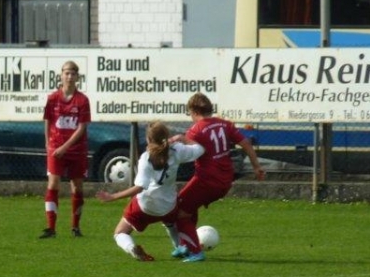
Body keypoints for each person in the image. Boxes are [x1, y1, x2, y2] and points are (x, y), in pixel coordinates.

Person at [169, 92, 265, 262]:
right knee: (189, 206)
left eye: (189, 113)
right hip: (225, 181)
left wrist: (179, 141)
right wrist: (257, 167)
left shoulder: (195, 130)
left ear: (194, 111)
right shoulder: (224, 124)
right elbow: (246, 144)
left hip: (206, 180)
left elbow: (189, 154)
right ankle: (185, 244)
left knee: (179, 212)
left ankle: (194, 250)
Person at [96, 121, 204, 261]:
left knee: (120, 232)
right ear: (166, 136)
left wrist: (113, 196)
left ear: (149, 139)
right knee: (170, 222)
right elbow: (200, 149)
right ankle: (179, 247)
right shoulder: (177, 150)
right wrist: (182, 139)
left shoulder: (146, 158)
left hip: (145, 205)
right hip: (168, 206)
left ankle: (132, 248)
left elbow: (140, 187)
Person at [39, 60, 91, 238]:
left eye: (73, 73)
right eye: (66, 73)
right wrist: (48, 144)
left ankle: (75, 227)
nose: (69, 76)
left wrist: (65, 147)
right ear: (61, 75)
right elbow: (47, 120)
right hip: (55, 148)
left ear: (77, 77)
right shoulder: (53, 98)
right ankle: (51, 227)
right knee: (53, 184)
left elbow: (82, 128)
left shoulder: (82, 100)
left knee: (77, 187)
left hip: (76, 150)